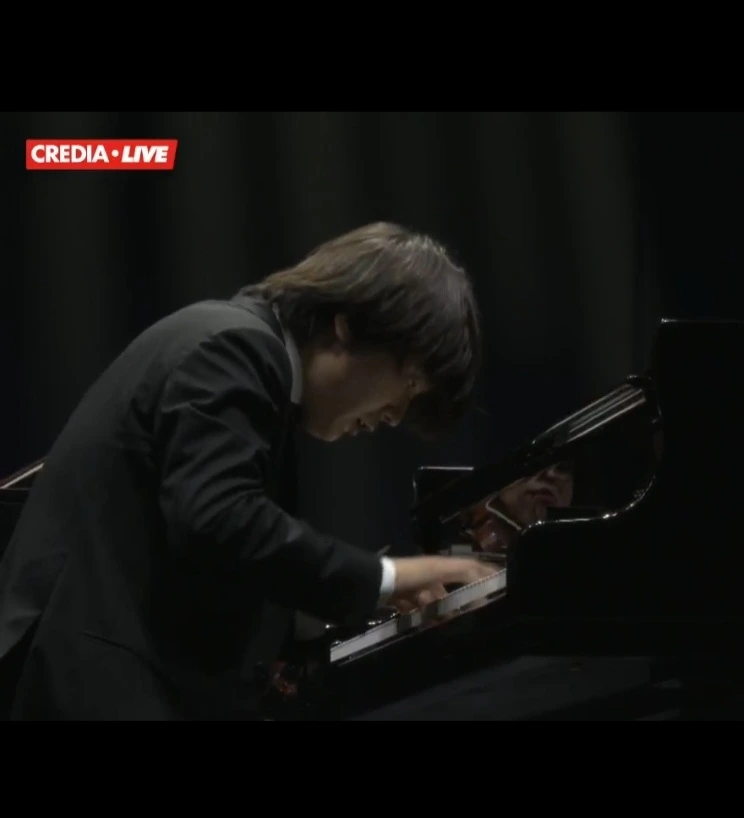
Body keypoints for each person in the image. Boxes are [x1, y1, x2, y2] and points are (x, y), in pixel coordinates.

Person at [0, 222, 497, 720]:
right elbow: (218, 520)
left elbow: (209, 564)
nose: (395, 416)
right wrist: (387, 578)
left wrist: (349, 605)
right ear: (348, 325)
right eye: (408, 385)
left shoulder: (246, 357)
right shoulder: (234, 348)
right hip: (88, 677)